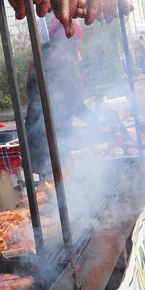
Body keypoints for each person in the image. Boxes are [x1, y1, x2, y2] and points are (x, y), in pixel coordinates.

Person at [25, 19, 95, 176]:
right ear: (67, 40)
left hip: (38, 135)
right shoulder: (58, 60)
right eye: (74, 41)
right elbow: (73, 103)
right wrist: (95, 120)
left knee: (48, 186)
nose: (75, 46)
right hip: (49, 139)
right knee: (55, 186)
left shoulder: (43, 54)